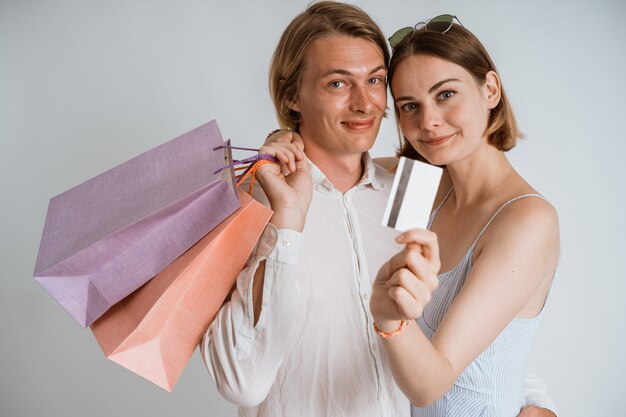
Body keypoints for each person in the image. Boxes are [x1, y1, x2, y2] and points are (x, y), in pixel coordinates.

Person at [201, 2, 556, 416]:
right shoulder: (248, 199)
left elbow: (470, 333)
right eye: (337, 84)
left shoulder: (407, 192)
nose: (364, 103)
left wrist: (533, 400)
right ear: (290, 96)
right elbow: (241, 384)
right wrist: (286, 218)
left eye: (374, 81)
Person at [368, 15, 560, 417]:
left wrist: (388, 319)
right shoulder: (423, 184)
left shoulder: (527, 221)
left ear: (490, 89)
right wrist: (286, 143)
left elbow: (430, 385)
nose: (428, 122)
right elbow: (339, 168)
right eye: (409, 106)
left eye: (445, 94)